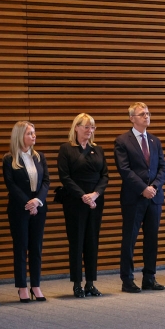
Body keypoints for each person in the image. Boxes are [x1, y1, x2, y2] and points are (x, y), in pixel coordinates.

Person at [114, 102, 165, 293]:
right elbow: (125, 170)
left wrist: (153, 187)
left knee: (151, 239)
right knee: (130, 239)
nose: (146, 116)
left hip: (154, 197)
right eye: (142, 114)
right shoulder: (122, 141)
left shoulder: (155, 140)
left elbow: (163, 168)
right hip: (134, 197)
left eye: (148, 113)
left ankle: (149, 277)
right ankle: (127, 279)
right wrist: (143, 188)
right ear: (132, 118)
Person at [57, 113, 110, 298]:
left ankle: (90, 283)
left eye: (92, 127)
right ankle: (77, 284)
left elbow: (105, 176)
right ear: (76, 128)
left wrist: (95, 195)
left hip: (95, 202)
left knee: (92, 242)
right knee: (77, 242)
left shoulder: (98, 149)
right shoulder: (66, 149)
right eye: (86, 127)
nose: (90, 130)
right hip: (75, 202)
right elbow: (65, 177)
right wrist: (83, 196)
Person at [3, 121, 50, 303]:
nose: (34, 136)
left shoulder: (40, 157)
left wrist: (37, 201)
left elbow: (46, 181)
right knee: (21, 247)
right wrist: (27, 202)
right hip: (19, 208)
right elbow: (11, 185)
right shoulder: (9, 159)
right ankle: (22, 287)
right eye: (30, 133)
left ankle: (36, 285)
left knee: (36, 247)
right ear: (20, 136)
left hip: (39, 207)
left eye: (34, 132)